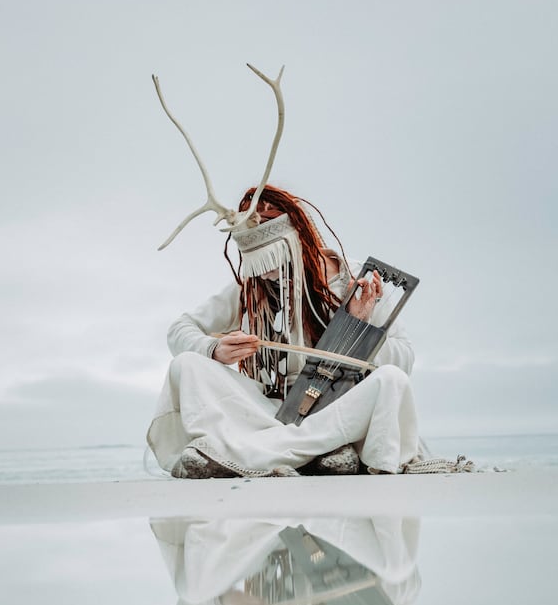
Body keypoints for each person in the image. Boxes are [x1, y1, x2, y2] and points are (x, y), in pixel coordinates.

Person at [147, 185, 427, 478]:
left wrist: (358, 327)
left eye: (271, 261)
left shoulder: (358, 282)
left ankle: (260, 451)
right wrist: (213, 349)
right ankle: (320, 451)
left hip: (338, 409)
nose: (263, 273)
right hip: (269, 414)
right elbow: (179, 329)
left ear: (297, 239)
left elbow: (404, 360)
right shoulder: (253, 288)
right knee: (186, 364)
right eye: (257, 264)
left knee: (392, 380)